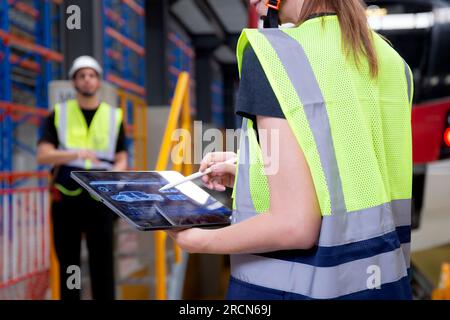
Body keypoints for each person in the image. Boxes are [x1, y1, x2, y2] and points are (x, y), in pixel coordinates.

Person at [169, 0, 414, 300]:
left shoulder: (277, 55)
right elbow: (346, 162)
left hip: (290, 290)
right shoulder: (390, 59)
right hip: (385, 283)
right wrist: (250, 172)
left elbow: (294, 225)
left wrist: (199, 241)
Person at [37, 56, 128, 300]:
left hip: (101, 199)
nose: (87, 80)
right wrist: (75, 153)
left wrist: (117, 173)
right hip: (67, 199)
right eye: (81, 75)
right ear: (74, 82)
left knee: (103, 263)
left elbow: (121, 156)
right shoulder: (57, 114)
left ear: (98, 81)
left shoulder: (113, 116)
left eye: (91, 75)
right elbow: (43, 155)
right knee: (69, 264)